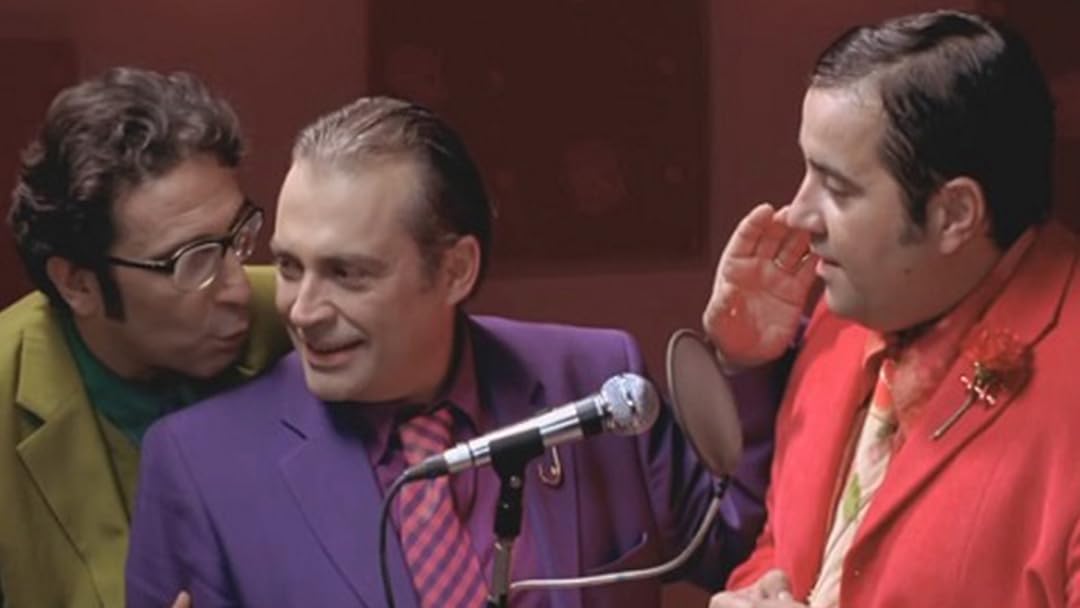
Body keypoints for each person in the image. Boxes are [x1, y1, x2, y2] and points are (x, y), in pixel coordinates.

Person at [125, 96, 781, 608]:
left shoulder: (596, 379)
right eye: (291, 267)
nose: (302, 310)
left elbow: (738, 543)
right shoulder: (198, 465)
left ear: (455, 270)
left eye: (348, 274)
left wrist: (745, 359)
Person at [704, 9, 1080, 608]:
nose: (798, 214)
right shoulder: (843, 313)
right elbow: (783, 553)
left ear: (954, 214)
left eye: (837, 188)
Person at [0, 67, 290, 608]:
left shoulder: (296, 316)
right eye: (190, 261)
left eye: (236, 237)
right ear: (77, 283)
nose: (235, 288)